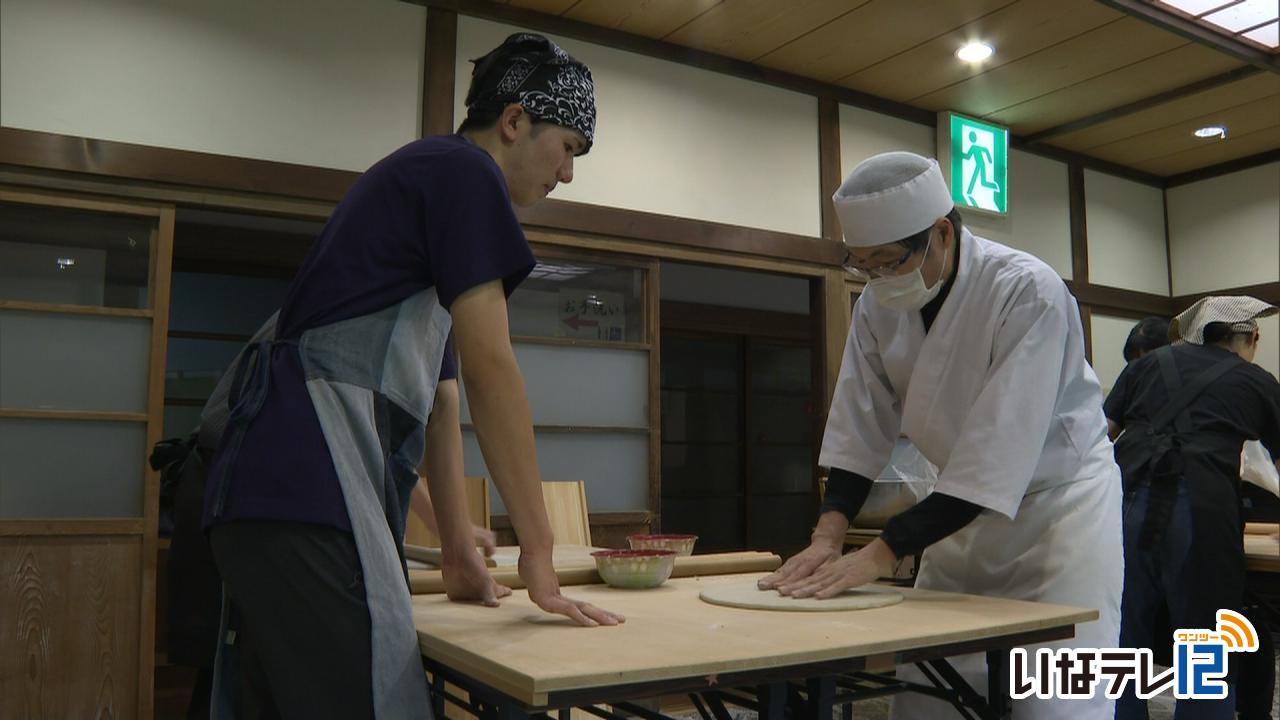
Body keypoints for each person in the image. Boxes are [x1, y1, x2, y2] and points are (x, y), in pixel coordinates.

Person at [202, 33, 622, 720]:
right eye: (570, 148)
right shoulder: (463, 172)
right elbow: (492, 368)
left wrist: (458, 548)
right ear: (515, 122)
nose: (568, 173)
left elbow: (442, 397)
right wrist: (538, 554)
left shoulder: (428, 199)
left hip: (271, 500)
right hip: (302, 493)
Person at [758, 150, 1122, 719]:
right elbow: (861, 424)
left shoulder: (1027, 290)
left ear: (942, 235)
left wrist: (879, 555)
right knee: (934, 690)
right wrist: (829, 537)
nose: (876, 277)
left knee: (1053, 701)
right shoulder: (878, 305)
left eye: (886, 260)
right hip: (958, 511)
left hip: (1058, 517)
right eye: (862, 264)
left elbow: (998, 453)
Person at [1106, 296, 1280, 719]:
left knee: (1127, 633)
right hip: (1201, 512)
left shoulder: (1145, 367)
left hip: (1127, 507)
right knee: (1203, 640)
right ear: (1251, 337)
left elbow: (1102, 435)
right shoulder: (1254, 380)